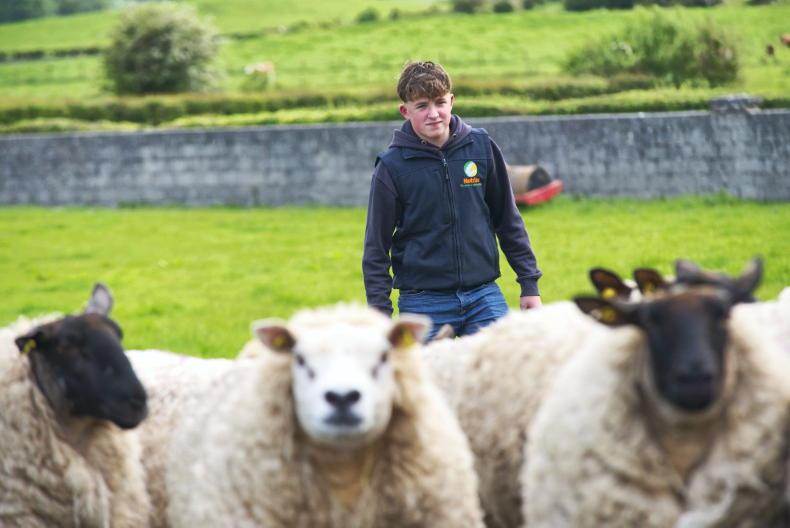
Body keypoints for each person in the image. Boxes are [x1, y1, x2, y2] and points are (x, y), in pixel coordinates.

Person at [362, 61, 542, 339]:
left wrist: (529, 284)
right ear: (405, 110)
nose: (433, 114)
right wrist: (380, 316)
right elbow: (376, 247)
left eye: (440, 102)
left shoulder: (481, 147)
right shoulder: (391, 167)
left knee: (506, 363)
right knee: (422, 369)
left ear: (452, 101)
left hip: (483, 296)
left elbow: (508, 219)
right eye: (422, 106)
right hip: (423, 302)